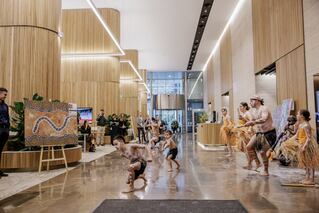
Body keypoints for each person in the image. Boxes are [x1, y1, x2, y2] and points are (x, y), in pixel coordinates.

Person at [244, 95, 276, 176]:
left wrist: (253, 122)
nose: (250, 103)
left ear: (257, 100)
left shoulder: (264, 108)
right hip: (259, 133)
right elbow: (252, 120)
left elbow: (264, 119)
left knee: (262, 152)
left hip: (269, 133)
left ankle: (266, 170)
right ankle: (258, 163)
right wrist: (248, 124)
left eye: (251, 100)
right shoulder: (254, 111)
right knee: (249, 147)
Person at [294, 110, 319, 185]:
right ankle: (307, 177)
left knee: (310, 162)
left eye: (298, 114)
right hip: (302, 144)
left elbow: (309, 137)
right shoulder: (301, 124)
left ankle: (312, 179)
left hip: (307, 145)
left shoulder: (306, 125)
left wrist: (304, 146)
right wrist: (296, 125)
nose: (297, 115)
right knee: (305, 162)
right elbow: (296, 134)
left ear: (302, 116)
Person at [233, 102, 261, 168]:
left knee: (249, 148)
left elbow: (251, 121)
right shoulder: (243, 113)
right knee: (246, 149)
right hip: (243, 133)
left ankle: (253, 163)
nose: (240, 108)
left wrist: (249, 129)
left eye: (241, 106)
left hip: (247, 132)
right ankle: (252, 163)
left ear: (245, 107)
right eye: (239, 107)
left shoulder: (248, 113)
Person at [0, 87, 9, 178]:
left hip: (5, 130)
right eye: (4, 94)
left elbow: (7, 117)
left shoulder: (5, 106)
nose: (5, 96)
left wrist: (8, 129)